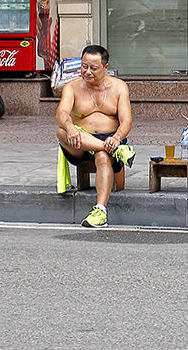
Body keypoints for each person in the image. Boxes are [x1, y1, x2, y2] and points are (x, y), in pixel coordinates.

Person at [57, 45, 133, 229]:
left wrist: (117, 137)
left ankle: (100, 211)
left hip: (110, 138)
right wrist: (70, 127)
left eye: (94, 68)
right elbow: (61, 113)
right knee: (61, 131)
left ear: (105, 68)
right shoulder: (72, 87)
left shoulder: (119, 87)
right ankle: (117, 151)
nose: (87, 72)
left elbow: (126, 121)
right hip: (80, 141)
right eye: (84, 66)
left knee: (102, 156)